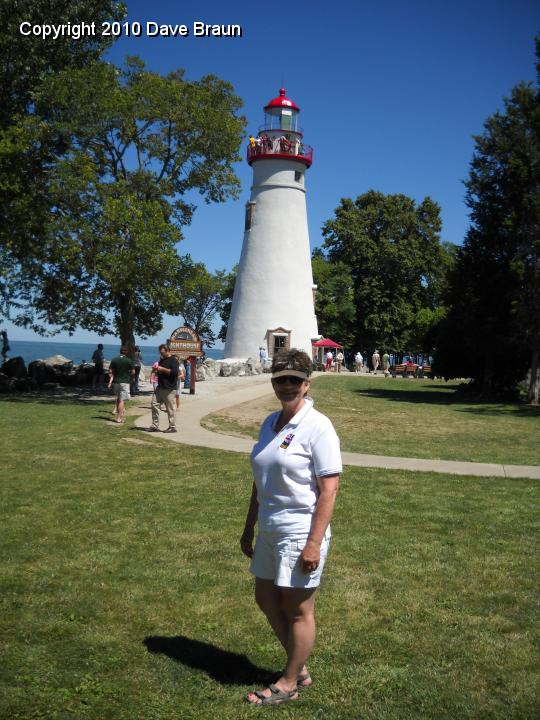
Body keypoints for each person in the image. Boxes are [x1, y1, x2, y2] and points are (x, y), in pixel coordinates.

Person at [241, 349, 342, 707]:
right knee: (265, 598)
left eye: (294, 381)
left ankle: (289, 682)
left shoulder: (318, 426)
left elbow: (329, 489)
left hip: (300, 530)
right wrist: (249, 526)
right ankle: (298, 667)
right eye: (280, 379)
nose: (286, 386)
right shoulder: (270, 422)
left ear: (306, 384)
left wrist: (314, 543)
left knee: (299, 609)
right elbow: (260, 479)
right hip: (269, 527)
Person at [145, 344, 180, 433]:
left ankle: (172, 427)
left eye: (162, 352)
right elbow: (160, 372)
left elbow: (174, 373)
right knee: (154, 404)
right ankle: (154, 425)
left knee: (170, 408)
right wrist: (156, 371)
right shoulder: (162, 360)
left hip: (169, 388)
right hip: (160, 387)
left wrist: (162, 369)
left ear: (167, 351)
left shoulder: (174, 360)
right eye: (160, 352)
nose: (161, 354)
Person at [107, 346, 135, 424]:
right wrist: (129, 375)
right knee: (122, 400)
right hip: (125, 381)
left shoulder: (114, 360)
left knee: (118, 398)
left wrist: (112, 377)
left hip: (116, 382)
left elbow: (110, 371)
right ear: (126, 352)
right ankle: (119, 418)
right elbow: (133, 372)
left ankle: (118, 415)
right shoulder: (129, 360)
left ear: (120, 351)